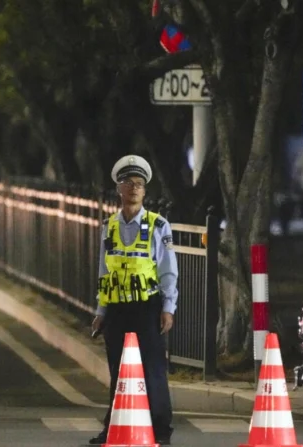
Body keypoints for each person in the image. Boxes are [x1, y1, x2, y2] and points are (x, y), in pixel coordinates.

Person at [89, 155, 178, 446]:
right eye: (128, 183)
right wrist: (101, 310)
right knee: (117, 370)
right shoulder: (109, 226)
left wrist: (168, 308)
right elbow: (104, 270)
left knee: (153, 369)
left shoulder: (158, 225)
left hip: (147, 307)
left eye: (139, 184)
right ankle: (113, 427)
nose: (134, 188)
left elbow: (168, 271)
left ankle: (161, 430)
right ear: (119, 189)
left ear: (144, 191)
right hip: (116, 308)